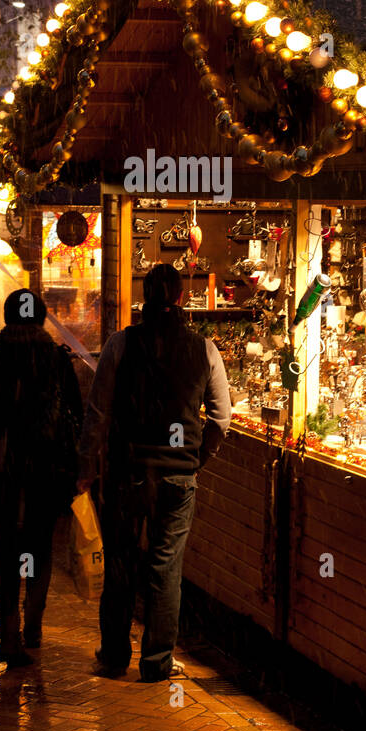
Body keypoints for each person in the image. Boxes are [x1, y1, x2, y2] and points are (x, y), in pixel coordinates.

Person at [78, 263, 231, 683]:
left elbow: (98, 413)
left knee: (122, 564)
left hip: (128, 472)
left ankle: (112, 657)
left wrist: (87, 465)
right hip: (178, 477)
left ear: (145, 296)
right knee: (166, 567)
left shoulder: (120, 345)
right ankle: (157, 661)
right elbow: (221, 419)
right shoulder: (204, 349)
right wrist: (195, 459)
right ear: (182, 298)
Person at [0, 289, 82, 669]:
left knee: (9, 553)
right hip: (46, 472)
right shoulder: (55, 358)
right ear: (41, 317)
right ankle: (33, 625)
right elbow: (76, 417)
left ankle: (9, 636)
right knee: (38, 549)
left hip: (2, 471)